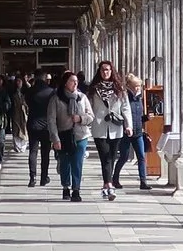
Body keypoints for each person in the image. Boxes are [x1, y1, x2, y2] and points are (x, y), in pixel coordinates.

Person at [88, 60, 134, 200]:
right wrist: (87, 122)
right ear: (99, 72)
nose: (105, 72)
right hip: (99, 126)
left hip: (115, 126)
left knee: (112, 157)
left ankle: (105, 184)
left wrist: (129, 125)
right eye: (102, 70)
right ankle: (109, 185)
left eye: (107, 70)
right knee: (105, 156)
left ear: (112, 71)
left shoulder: (119, 88)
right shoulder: (93, 88)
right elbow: (88, 107)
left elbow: (125, 107)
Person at [51, 70, 93, 202]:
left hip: (80, 135)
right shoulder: (56, 99)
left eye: (76, 81)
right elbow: (51, 120)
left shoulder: (82, 98)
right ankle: (65, 186)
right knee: (64, 163)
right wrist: (55, 138)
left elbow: (91, 116)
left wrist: (80, 118)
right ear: (65, 83)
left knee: (77, 162)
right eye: (72, 81)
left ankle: (76, 189)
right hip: (63, 134)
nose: (75, 83)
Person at [24, 69, 58, 186]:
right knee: (45, 153)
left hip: (33, 123)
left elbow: (27, 104)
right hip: (47, 125)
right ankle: (44, 177)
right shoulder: (51, 92)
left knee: (33, 151)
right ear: (45, 78)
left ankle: (32, 178)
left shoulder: (29, 91)